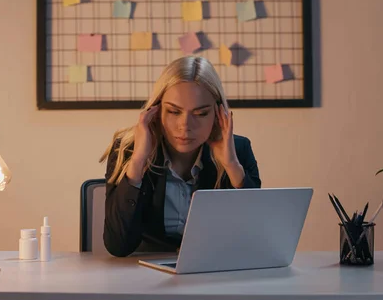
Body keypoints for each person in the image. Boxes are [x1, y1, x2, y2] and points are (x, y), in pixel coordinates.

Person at [99, 56, 261, 257]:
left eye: (201, 114)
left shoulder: (238, 150)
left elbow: (256, 238)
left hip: (213, 271)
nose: (185, 126)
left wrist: (232, 166)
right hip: (146, 274)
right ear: (156, 111)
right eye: (174, 112)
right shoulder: (129, 150)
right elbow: (118, 246)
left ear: (219, 114)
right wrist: (138, 162)